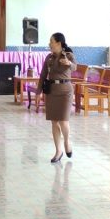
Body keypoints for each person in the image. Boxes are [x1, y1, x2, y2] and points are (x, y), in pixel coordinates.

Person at [39, 32, 75, 163]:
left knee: (63, 121)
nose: (49, 44)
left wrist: (69, 63)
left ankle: (67, 141)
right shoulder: (49, 57)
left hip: (65, 92)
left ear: (59, 43)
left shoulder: (68, 55)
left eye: (51, 41)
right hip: (52, 91)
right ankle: (58, 151)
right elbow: (43, 74)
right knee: (54, 122)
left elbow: (75, 67)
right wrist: (38, 90)